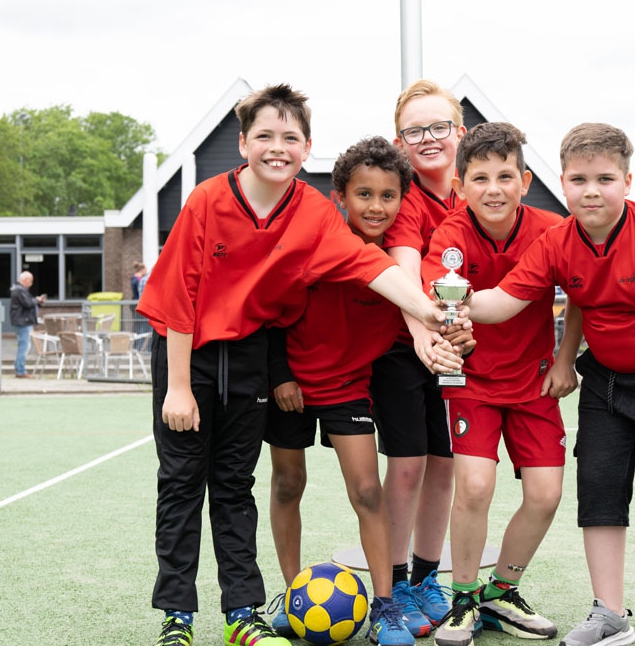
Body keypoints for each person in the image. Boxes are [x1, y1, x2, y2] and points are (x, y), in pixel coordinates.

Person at [136, 84, 451, 646]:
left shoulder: (311, 211)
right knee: (183, 484)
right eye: (264, 136)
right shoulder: (208, 199)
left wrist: (432, 311)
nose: (277, 148)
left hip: (252, 352)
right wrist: (178, 387)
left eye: (290, 137)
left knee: (234, 485)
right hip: (188, 351)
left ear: (307, 148)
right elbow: (180, 292)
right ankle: (176, 619)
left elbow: (367, 265)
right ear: (242, 143)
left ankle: (243, 615)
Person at [466, 123, 635, 646]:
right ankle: (609, 614)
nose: (592, 190)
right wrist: (441, 303)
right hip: (604, 378)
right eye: (579, 180)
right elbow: (504, 302)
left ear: (627, 180)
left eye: (605, 178)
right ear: (563, 183)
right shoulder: (557, 240)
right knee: (599, 493)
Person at [265, 136, 432, 646]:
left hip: (347, 388)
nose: (376, 206)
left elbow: (419, 320)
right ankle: (292, 593)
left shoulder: (398, 270)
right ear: (340, 196)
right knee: (288, 484)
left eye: (387, 196)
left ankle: (384, 606)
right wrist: (279, 376)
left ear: (402, 200)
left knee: (366, 491)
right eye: (364, 194)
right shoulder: (315, 243)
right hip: (291, 384)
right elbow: (270, 311)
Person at [422, 123, 567, 646]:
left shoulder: (554, 229)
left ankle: (501, 591)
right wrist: (446, 331)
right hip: (473, 381)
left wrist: (565, 359)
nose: (494, 188)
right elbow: (442, 304)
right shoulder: (450, 236)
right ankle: (462, 596)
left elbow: (580, 297)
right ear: (460, 186)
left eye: (505, 175)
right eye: (479, 178)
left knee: (547, 495)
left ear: (525, 181)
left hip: (533, 382)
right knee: (476, 486)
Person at [369, 79, 469, 635]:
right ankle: (397, 581)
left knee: (446, 465)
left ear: (460, 133)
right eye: (414, 130)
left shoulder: (475, 192)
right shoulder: (402, 198)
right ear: (399, 139)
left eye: (438, 127)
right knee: (406, 468)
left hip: (453, 351)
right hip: (403, 351)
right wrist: (422, 333)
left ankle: (428, 578)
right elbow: (404, 270)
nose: (427, 138)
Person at [9, 270, 46, 378]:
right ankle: (20, 370)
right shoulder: (20, 291)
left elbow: (28, 302)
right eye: (31, 281)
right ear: (25, 280)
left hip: (22, 321)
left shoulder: (19, 290)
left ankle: (19, 368)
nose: (31, 283)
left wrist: (36, 301)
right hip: (23, 322)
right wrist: (38, 300)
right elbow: (28, 303)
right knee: (24, 346)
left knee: (23, 345)